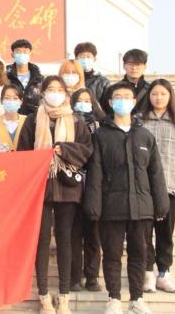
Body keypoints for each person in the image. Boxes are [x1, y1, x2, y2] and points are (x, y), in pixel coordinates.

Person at [84, 81, 169, 314]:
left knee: (139, 254)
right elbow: (95, 173)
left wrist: (161, 204)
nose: (122, 101)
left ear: (133, 102)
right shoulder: (101, 135)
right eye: (117, 97)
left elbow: (156, 173)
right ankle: (113, 298)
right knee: (112, 255)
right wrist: (93, 205)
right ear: (110, 103)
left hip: (142, 207)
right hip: (112, 206)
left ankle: (137, 299)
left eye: (126, 97)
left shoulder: (145, 136)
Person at [17, 76, 93, 314]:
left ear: (66, 94)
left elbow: (87, 151)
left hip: (68, 188)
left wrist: (64, 150)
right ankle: (43, 295)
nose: (55, 93)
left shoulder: (76, 120)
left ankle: (64, 295)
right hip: (39, 187)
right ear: (42, 93)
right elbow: (22, 154)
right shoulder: (33, 119)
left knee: (65, 240)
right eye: (51, 89)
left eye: (59, 89)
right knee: (41, 241)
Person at [140, 79, 175, 294]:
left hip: (171, 186)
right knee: (144, 233)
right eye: (154, 94)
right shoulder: (139, 121)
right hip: (144, 187)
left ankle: (164, 273)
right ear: (149, 96)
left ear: (170, 96)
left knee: (166, 233)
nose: (158, 98)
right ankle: (147, 273)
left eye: (163, 94)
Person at [69, 88, 105, 293]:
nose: (83, 103)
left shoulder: (101, 125)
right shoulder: (68, 123)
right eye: (79, 100)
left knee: (93, 234)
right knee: (74, 234)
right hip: (72, 181)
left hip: (95, 183)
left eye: (87, 100)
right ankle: (74, 277)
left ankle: (92, 276)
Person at [102, 49, 150, 114]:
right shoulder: (112, 89)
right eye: (130, 64)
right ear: (124, 66)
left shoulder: (151, 90)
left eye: (138, 64)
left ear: (145, 67)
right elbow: (106, 112)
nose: (134, 68)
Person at [0, 84, 27, 152]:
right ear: (1, 100)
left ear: (21, 101)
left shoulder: (27, 122)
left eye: (15, 98)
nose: (11, 101)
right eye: (7, 98)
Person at [6, 39, 43, 116]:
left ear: (30, 54)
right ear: (12, 54)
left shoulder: (38, 78)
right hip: (11, 117)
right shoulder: (6, 77)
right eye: (18, 52)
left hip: (33, 118)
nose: (22, 54)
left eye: (25, 52)